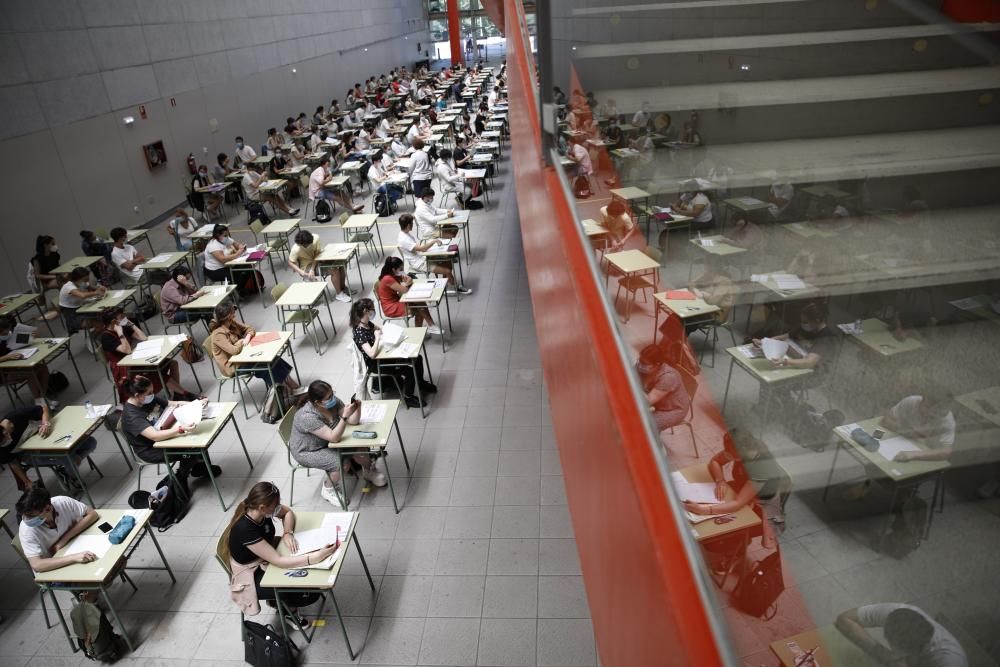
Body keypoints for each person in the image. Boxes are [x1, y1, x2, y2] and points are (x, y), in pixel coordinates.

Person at [222, 482, 334, 630]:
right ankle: (289, 612)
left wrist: (288, 533)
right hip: (253, 577)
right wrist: (315, 557)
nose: (278, 507)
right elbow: (279, 561)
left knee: (304, 570)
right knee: (302, 581)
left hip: (266, 555)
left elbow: (288, 513)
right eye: (275, 505)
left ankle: (282, 603)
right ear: (262, 507)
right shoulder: (245, 529)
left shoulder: (261, 511)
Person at [683, 430, 791, 553]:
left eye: (731, 455)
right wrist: (720, 481)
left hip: (760, 506)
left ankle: (736, 549)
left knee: (716, 536)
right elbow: (715, 461)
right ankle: (736, 544)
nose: (728, 457)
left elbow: (737, 503)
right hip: (742, 490)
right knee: (709, 527)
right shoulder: (744, 445)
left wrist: (704, 510)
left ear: (740, 455)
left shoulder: (761, 468)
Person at [289, 380, 387, 508]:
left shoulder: (331, 402)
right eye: (328, 397)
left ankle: (368, 471)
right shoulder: (307, 417)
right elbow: (334, 437)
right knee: (342, 463)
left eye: (332, 394)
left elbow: (353, 422)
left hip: (326, 440)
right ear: (317, 402)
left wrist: (357, 409)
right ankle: (328, 489)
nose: (332, 398)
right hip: (308, 451)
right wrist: (344, 417)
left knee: (359, 445)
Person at [121, 375, 219, 484]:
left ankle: (199, 467)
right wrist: (180, 429)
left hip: (163, 434)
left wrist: (196, 404)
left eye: (152, 391)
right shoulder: (132, 415)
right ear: (137, 395)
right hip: (151, 448)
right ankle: (181, 478)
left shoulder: (146, 399)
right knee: (191, 448)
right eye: (149, 393)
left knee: (197, 438)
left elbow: (172, 404)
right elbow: (154, 436)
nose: (152, 395)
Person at [99, 307, 201, 401]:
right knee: (157, 374)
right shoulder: (106, 337)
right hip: (124, 368)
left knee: (173, 363)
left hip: (134, 360)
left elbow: (143, 337)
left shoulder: (123, 327)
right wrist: (120, 333)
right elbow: (127, 350)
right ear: (114, 322)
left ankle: (178, 394)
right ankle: (185, 393)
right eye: (121, 317)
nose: (124, 318)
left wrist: (130, 324)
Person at [351, 299, 435, 409]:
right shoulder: (359, 331)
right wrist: (377, 338)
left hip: (384, 355)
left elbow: (380, 328)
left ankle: (421, 383)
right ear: (366, 311)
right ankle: (408, 397)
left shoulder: (367, 323)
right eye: (372, 309)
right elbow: (371, 354)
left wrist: (391, 332)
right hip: (376, 364)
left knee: (418, 358)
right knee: (409, 368)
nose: (374, 311)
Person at [836, 604, 968, 667]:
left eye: (894, 649)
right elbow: (844, 620)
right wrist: (881, 653)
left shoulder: (950, 662)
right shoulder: (899, 612)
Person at [209, 303, 298, 391]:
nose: (235, 312)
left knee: (274, 359)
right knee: (265, 368)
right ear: (227, 316)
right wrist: (241, 341)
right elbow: (234, 350)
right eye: (233, 311)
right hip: (234, 366)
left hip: (244, 357)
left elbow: (250, 329)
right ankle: (283, 392)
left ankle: (293, 387)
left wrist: (247, 336)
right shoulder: (217, 334)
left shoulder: (231, 323)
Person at [17, 487, 99, 573]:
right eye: (25, 515)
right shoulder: (27, 530)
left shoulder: (63, 502)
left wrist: (64, 539)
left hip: (72, 545)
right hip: (52, 565)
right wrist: (73, 557)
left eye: (31, 516)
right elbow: (37, 565)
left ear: (48, 509)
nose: (27, 520)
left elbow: (92, 514)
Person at [397, 214, 471, 295]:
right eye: (412, 223)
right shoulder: (404, 239)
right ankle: (456, 287)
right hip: (419, 263)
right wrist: (433, 242)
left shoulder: (406, 233)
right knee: (447, 270)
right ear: (408, 225)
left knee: (447, 260)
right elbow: (422, 249)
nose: (413, 225)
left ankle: (444, 282)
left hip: (422, 257)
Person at [880, 393, 956, 461]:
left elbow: (946, 451)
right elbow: (885, 421)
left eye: (939, 412)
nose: (932, 415)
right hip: (898, 441)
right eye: (928, 408)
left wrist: (914, 454)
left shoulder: (946, 420)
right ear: (922, 401)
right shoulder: (911, 402)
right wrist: (911, 433)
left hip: (923, 451)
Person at [376, 257, 441, 335]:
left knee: (420, 304)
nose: (402, 271)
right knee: (420, 308)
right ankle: (426, 328)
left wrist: (408, 279)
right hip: (391, 307)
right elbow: (405, 290)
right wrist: (408, 283)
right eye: (400, 269)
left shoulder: (394, 274)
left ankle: (425, 329)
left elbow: (405, 280)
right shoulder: (387, 278)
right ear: (393, 269)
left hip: (397, 299)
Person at [0, 402, 54, 491]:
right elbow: (13, 463)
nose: (4, 443)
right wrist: (27, 481)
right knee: (57, 458)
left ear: (4, 431)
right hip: (29, 454)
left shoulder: (17, 415)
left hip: (45, 435)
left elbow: (43, 408)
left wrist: (45, 423)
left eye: (3, 441)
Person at [287, 230, 352, 303]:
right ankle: (339, 294)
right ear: (301, 244)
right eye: (307, 245)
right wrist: (301, 271)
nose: (309, 246)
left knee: (341, 263)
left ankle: (342, 288)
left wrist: (313, 269)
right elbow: (290, 262)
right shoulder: (296, 249)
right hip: (306, 266)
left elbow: (317, 254)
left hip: (317, 260)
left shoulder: (315, 237)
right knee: (335, 271)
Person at [636, 344, 690, 432]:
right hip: (658, 403)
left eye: (644, 363)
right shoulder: (642, 367)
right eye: (640, 360)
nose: (640, 365)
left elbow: (648, 401)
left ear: (657, 364)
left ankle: (654, 444)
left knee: (645, 426)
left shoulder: (668, 377)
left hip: (673, 410)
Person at [0, 316, 52, 404]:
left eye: (7, 330)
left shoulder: (10, 334)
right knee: (31, 372)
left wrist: (31, 337)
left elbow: (18, 342)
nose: (6, 334)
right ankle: (39, 402)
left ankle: (42, 398)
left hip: (17, 364)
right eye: (2, 333)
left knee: (43, 368)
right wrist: (7, 357)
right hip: (4, 372)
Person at [57, 266, 105, 333]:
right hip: (72, 315)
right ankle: (94, 337)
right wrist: (96, 292)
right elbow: (82, 295)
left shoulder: (82, 282)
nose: (87, 281)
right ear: (78, 279)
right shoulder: (68, 287)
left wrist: (100, 287)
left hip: (81, 309)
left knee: (104, 315)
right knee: (99, 324)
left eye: (87, 279)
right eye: (85, 280)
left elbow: (93, 287)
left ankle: (99, 334)